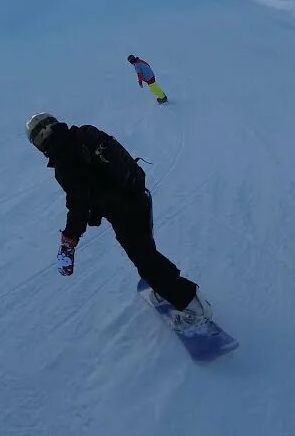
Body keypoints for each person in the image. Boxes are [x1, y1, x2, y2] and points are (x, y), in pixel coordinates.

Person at [25, 112, 211, 332]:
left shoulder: (64, 162)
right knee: (146, 250)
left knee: (145, 260)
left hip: (124, 210)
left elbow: (78, 205)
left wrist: (69, 240)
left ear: (39, 141)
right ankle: (165, 287)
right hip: (139, 195)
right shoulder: (82, 133)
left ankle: (192, 305)